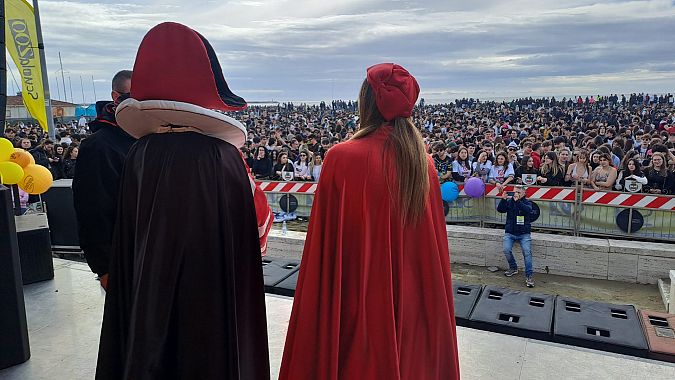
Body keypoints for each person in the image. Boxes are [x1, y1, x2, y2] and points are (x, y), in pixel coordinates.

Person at [96, 22, 269, 379]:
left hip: (148, 288)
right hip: (209, 297)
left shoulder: (139, 153)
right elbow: (253, 227)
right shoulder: (222, 158)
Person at [280, 63, 460, 380]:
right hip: (411, 309)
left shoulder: (341, 157)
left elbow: (326, 252)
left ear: (367, 103)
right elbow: (430, 254)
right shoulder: (424, 163)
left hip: (354, 310)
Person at [72, 70, 136, 289]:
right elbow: (93, 210)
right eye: (131, 97)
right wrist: (105, 267)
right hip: (123, 259)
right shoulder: (99, 146)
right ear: (115, 97)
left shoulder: (150, 137)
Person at [497, 185, 535, 288]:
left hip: (524, 233)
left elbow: (528, 210)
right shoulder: (509, 202)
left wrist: (518, 201)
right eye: (514, 192)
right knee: (506, 249)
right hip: (510, 232)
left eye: (518, 192)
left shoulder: (527, 202)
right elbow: (500, 210)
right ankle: (513, 268)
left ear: (523, 193)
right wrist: (503, 200)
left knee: (527, 252)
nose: (516, 194)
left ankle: (529, 276)